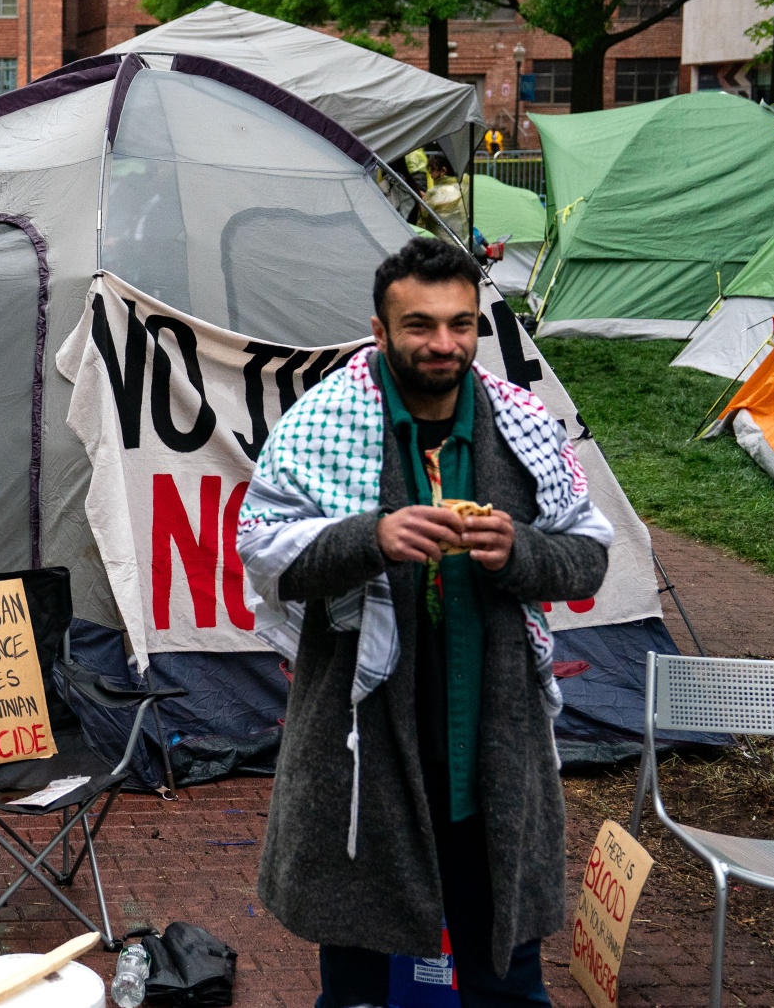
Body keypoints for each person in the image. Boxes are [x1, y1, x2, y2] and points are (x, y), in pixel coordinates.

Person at [238, 238, 613, 1008]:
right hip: (362, 750)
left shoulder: (521, 424)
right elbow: (266, 554)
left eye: (461, 324)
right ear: (379, 332)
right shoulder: (325, 421)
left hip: (495, 746)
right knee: (359, 990)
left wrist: (519, 551)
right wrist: (368, 538)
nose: (444, 343)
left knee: (504, 980)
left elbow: (588, 559)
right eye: (419, 325)